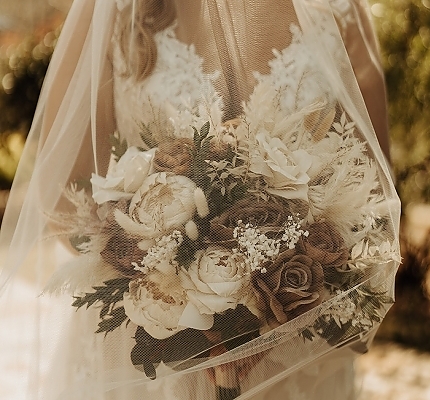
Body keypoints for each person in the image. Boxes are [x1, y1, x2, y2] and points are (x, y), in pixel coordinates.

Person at [0, 0, 400, 399]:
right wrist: (174, 291)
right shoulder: (117, 10)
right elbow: (64, 196)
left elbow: (375, 192)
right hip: (151, 351)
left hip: (297, 352)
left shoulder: (338, 8)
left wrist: (276, 312)